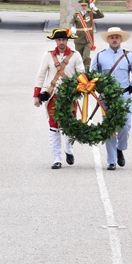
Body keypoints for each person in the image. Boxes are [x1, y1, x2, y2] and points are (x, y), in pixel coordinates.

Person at [93, 27, 132, 171]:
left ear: (121, 39)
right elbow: (92, 77)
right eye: (111, 37)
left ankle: (120, 148)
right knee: (109, 128)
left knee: (125, 126)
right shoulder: (100, 56)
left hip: (124, 96)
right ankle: (111, 160)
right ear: (108, 40)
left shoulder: (129, 56)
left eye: (117, 37)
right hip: (107, 98)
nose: (114, 39)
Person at [33, 27, 85, 169]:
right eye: (59, 39)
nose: (61, 42)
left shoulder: (75, 56)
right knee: (53, 127)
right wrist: (37, 95)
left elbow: (81, 74)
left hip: (70, 97)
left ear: (67, 41)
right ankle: (57, 158)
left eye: (63, 39)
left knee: (69, 126)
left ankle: (68, 149)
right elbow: (41, 74)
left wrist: (84, 86)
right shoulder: (48, 55)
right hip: (53, 96)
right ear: (56, 41)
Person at [71, 0, 105, 69]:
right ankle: (78, 71)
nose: (83, 7)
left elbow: (101, 16)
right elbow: (71, 23)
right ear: (79, 6)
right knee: (78, 57)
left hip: (88, 40)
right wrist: (71, 27)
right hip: (79, 40)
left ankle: (86, 71)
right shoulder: (76, 15)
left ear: (87, 6)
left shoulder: (90, 14)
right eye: (82, 5)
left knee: (86, 57)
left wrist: (95, 8)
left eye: (85, 5)